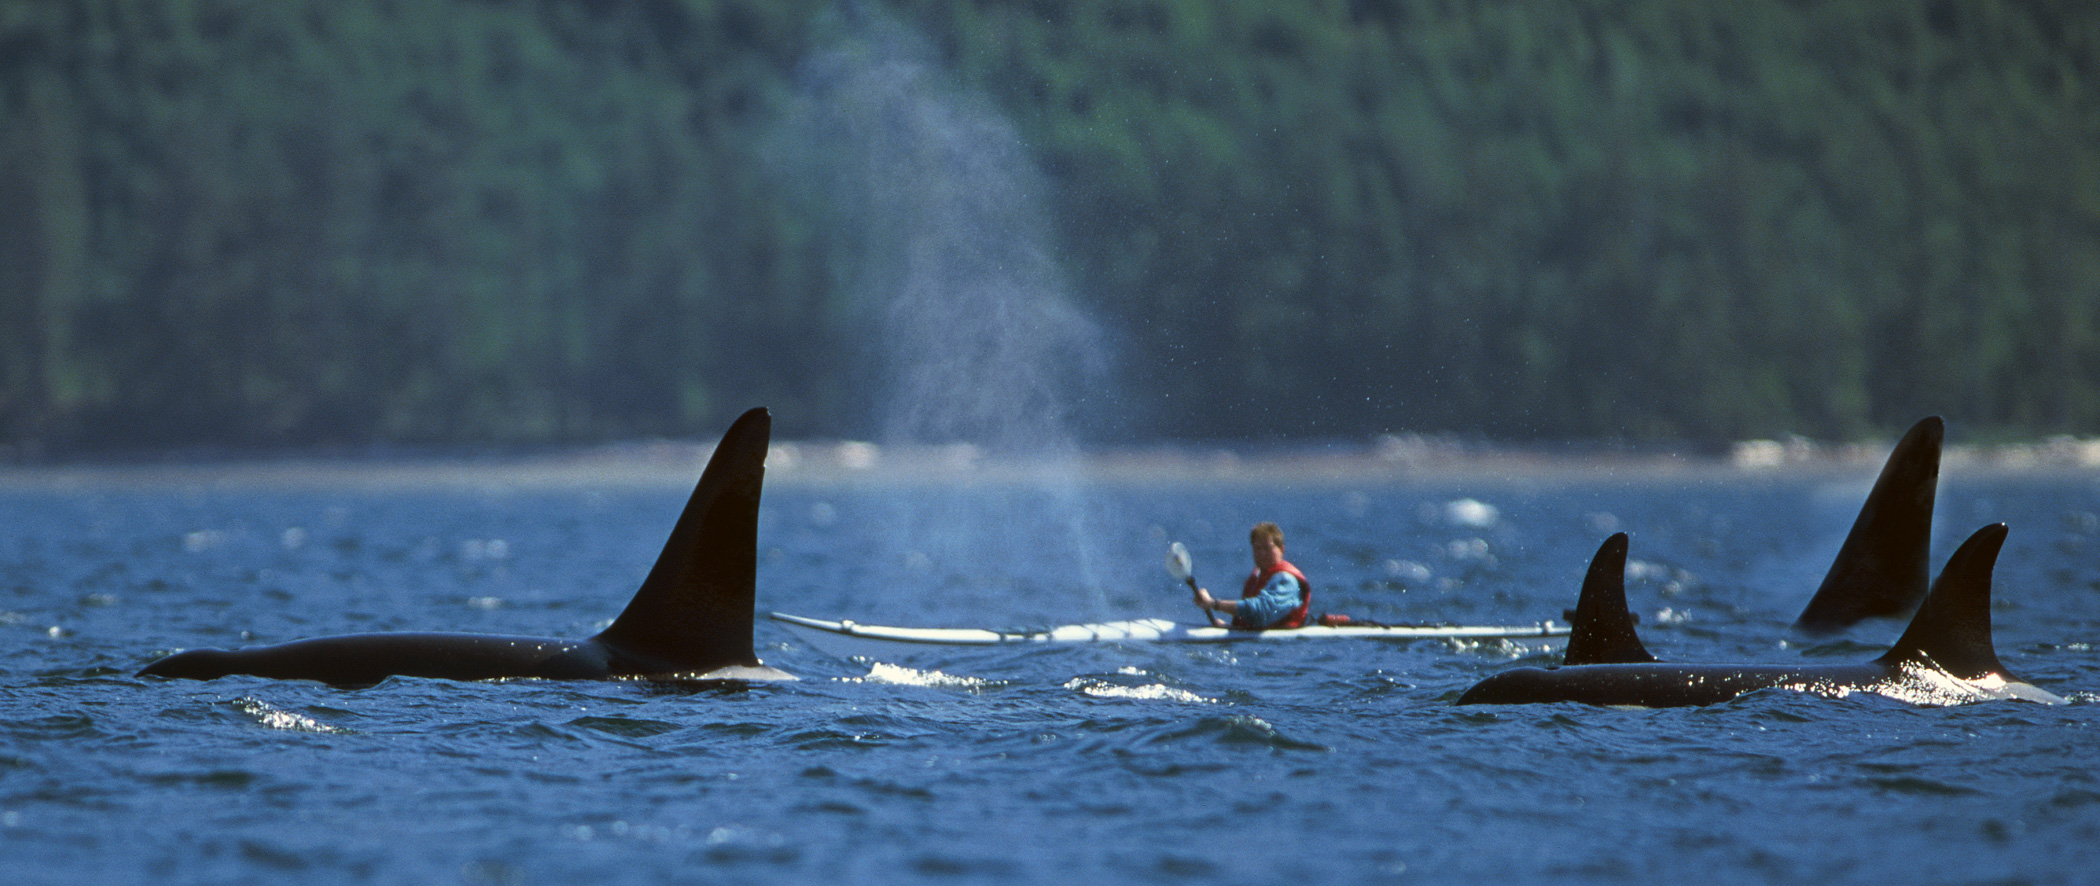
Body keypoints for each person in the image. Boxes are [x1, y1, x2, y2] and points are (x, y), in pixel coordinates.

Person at [1192, 522, 1312, 630]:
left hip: (1283, 645)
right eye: (1257, 548)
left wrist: (1213, 603)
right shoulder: (1258, 577)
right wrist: (1229, 628)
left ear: (1281, 549)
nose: (1262, 553)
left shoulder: (1286, 580)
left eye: (1267, 548)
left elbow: (1261, 613)